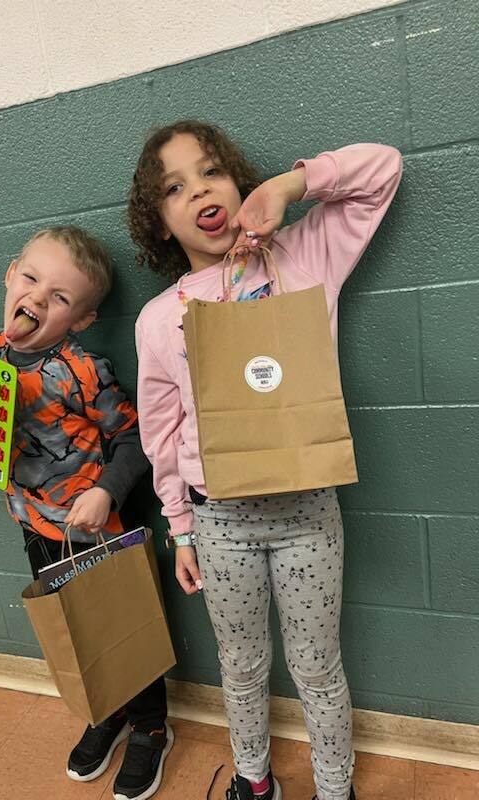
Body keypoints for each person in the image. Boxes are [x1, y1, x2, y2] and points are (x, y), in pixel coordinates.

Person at [129, 120, 402, 800]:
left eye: (211, 171)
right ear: (158, 221)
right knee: (242, 666)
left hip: (308, 512)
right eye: (174, 188)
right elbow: (160, 430)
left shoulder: (303, 257)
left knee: (317, 666)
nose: (200, 191)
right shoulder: (159, 319)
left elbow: (383, 168)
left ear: (237, 180)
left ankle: (335, 789)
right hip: (219, 523)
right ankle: (254, 781)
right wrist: (180, 528)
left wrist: (291, 185)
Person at [0, 225, 172, 800]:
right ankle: (107, 710)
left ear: (80, 320)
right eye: (31, 279)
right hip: (34, 525)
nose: (36, 297)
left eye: (59, 297)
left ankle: (151, 726)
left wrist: (106, 492)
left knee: (125, 627)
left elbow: (135, 438)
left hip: (99, 530)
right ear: (10, 276)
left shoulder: (82, 371)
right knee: (78, 630)